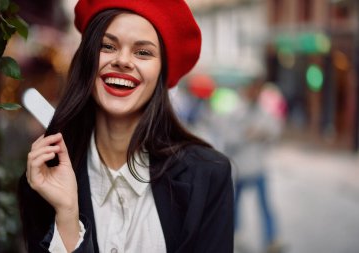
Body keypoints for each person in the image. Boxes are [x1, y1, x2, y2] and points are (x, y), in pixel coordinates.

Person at [18, 1, 234, 253]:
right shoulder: (46, 178)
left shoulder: (208, 175)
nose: (122, 61)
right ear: (87, 59)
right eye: (107, 46)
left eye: (143, 52)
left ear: (161, 71)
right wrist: (67, 215)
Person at [227, 79, 285, 253]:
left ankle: (271, 238)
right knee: (235, 205)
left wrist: (262, 133)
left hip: (258, 166)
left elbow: (275, 132)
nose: (255, 93)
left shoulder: (264, 112)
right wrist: (246, 134)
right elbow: (227, 138)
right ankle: (235, 234)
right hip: (240, 167)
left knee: (265, 205)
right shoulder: (236, 112)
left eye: (257, 90)